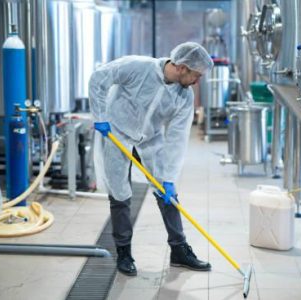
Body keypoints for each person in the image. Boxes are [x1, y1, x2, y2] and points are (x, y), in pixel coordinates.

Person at [89, 42, 214, 276]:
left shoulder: (184, 97)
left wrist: (169, 178)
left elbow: (177, 138)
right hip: (117, 131)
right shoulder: (137, 66)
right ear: (182, 67)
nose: (197, 82)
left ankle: (179, 250)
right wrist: (100, 116)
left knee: (168, 194)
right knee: (119, 193)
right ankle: (124, 252)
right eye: (196, 75)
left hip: (149, 139)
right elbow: (99, 78)